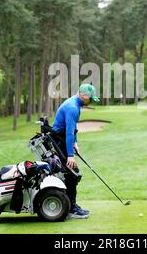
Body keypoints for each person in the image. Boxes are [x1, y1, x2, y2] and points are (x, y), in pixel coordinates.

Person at [52, 83, 100, 219]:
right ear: (83, 95)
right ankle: (71, 208)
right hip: (59, 141)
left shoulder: (75, 104)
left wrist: (75, 143)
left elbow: (73, 129)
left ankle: (71, 205)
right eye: (90, 98)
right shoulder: (72, 107)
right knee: (72, 174)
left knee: (72, 174)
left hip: (62, 140)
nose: (90, 101)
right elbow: (68, 133)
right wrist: (70, 155)